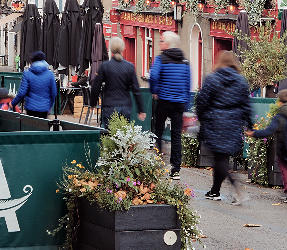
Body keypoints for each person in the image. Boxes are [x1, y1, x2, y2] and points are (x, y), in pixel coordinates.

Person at [193, 51, 251, 205]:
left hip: (215, 122)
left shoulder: (212, 79)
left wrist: (201, 118)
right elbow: (246, 105)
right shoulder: (241, 81)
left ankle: (236, 187)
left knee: (219, 160)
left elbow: (202, 102)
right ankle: (215, 190)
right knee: (221, 158)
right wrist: (249, 124)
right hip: (233, 123)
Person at [247, 89, 287, 203]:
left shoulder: (279, 117)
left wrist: (254, 133)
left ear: (280, 102)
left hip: (284, 148)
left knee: (286, 169)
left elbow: (268, 131)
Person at [149, 31, 191, 180]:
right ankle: (176, 169)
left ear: (167, 44)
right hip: (179, 103)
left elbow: (153, 76)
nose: (159, 43)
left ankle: (158, 163)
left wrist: (155, 91)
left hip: (164, 100)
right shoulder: (185, 62)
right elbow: (187, 85)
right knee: (176, 136)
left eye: (161, 41)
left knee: (158, 131)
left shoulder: (161, 59)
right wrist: (186, 105)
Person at [90, 37, 146, 129]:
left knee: (109, 135)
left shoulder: (105, 66)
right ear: (123, 48)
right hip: (125, 106)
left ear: (111, 49)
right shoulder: (129, 67)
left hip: (109, 106)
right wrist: (141, 110)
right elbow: (136, 90)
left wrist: (92, 103)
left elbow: (96, 86)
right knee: (123, 136)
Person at [15, 51, 57, 118]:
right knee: (43, 127)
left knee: (32, 127)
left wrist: (13, 103)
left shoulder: (27, 74)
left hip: (31, 107)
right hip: (44, 108)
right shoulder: (50, 74)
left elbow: (22, 93)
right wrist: (50, 106)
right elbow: (54, 93)